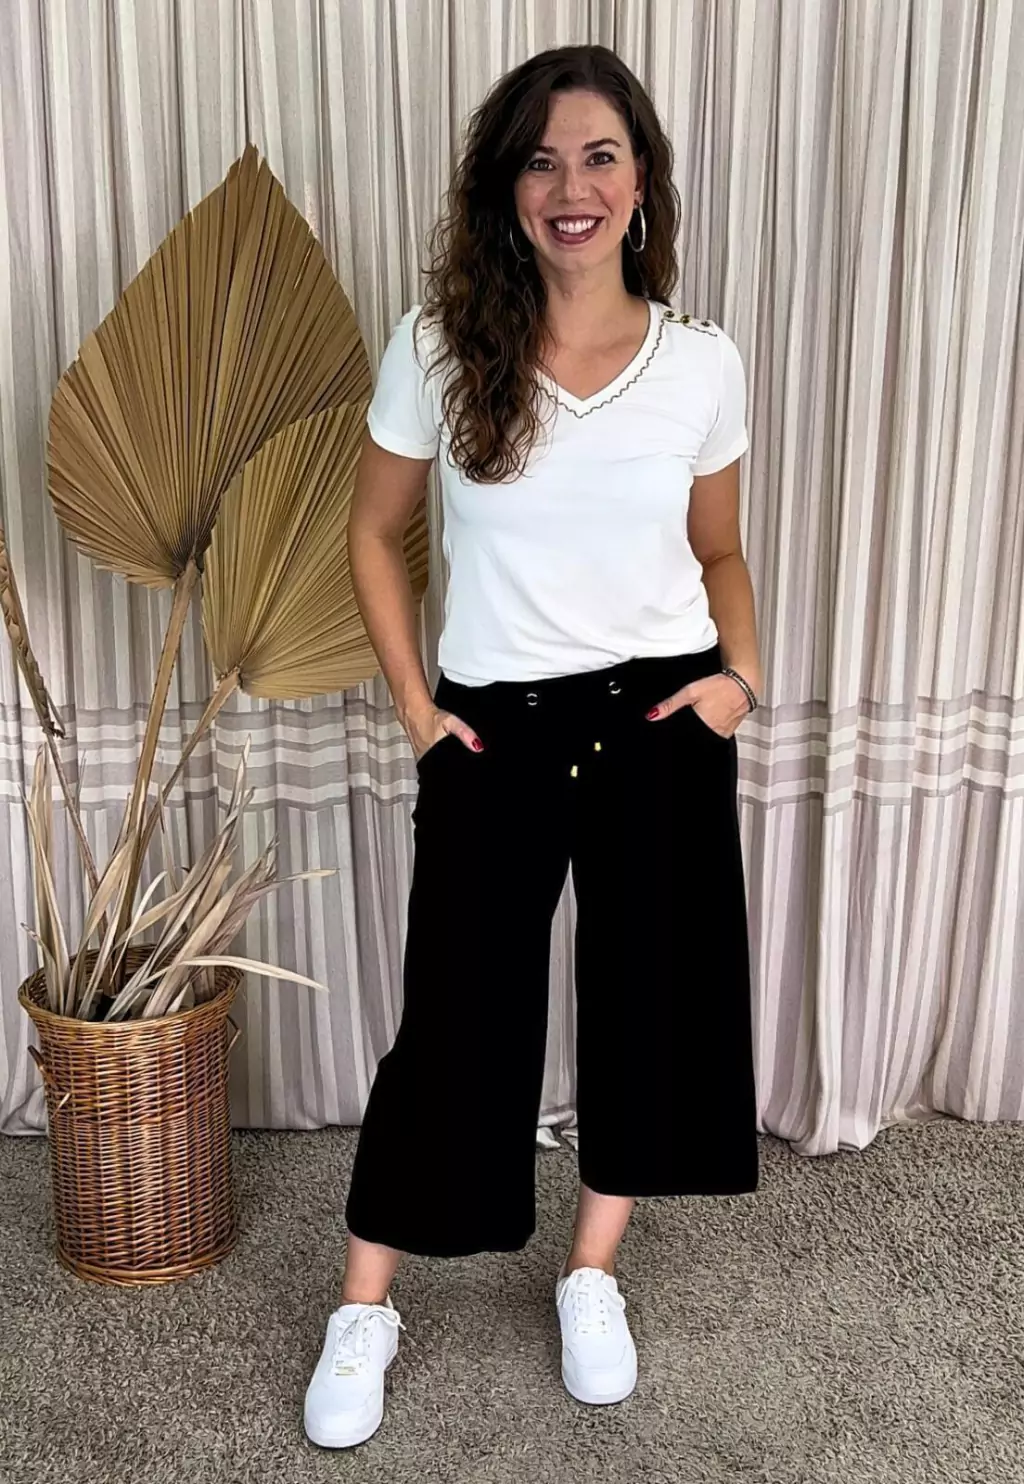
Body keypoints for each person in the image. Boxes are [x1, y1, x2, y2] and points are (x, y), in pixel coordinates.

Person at [304, 43, 761, 1450]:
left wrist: (742, 679)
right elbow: (374, 532)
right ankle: (365, 1305)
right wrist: (414, 709)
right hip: (494, 728)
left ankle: (590, 1271)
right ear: (508, 187)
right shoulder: (437, 349)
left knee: (651, 1007)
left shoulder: (701, 363)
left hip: (659, 718)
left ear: (642, 180)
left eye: (600, 156)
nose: (573, 186)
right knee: (457, 1018)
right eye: (543, 160)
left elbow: (720, 550)